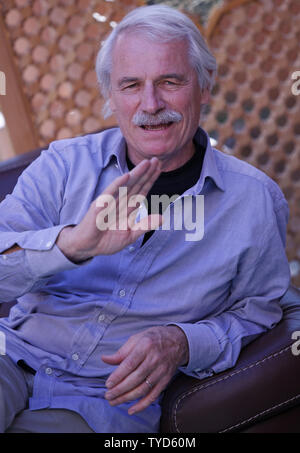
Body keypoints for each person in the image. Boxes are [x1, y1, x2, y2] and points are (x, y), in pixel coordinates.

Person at [0, 5, 291, 433]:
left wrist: (180, 342)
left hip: (105, 400)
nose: (150, 104)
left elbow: (258, 310)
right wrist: (72, 246)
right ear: (111, 96)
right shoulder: (62, 167)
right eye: (131, 85)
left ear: (204, 86)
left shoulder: (253, 201)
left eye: (170, 82)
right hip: (12, 357)